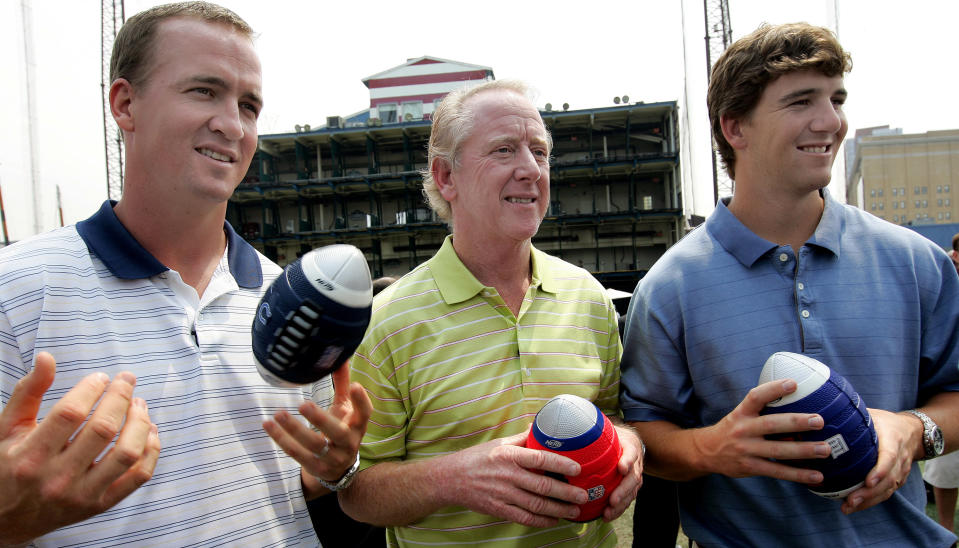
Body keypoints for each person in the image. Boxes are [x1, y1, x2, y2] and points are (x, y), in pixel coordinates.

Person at [0, 2, 369, 546]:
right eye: (203, 91)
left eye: (249, 105)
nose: (231, 124)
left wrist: (333, 471)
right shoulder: (15, 288)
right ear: (125, 104)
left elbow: (288, 484)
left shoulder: (286, 297)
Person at [620, 22, 959, 547]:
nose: (831, 121)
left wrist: (913, 430)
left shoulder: (918, 262)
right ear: (735, 128)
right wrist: (712, 448)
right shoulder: (670, 287)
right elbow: (644, 435)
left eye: (836, 98)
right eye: (801, 101)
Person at [332, 79, 643, 547]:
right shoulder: (385, 322)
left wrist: (629, 448)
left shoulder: (589, 298)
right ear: (446, 177)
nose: (530, 170)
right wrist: (454, 477)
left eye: (539, 151)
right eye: (503, 150)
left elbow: (615, 417)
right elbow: (355, 493)